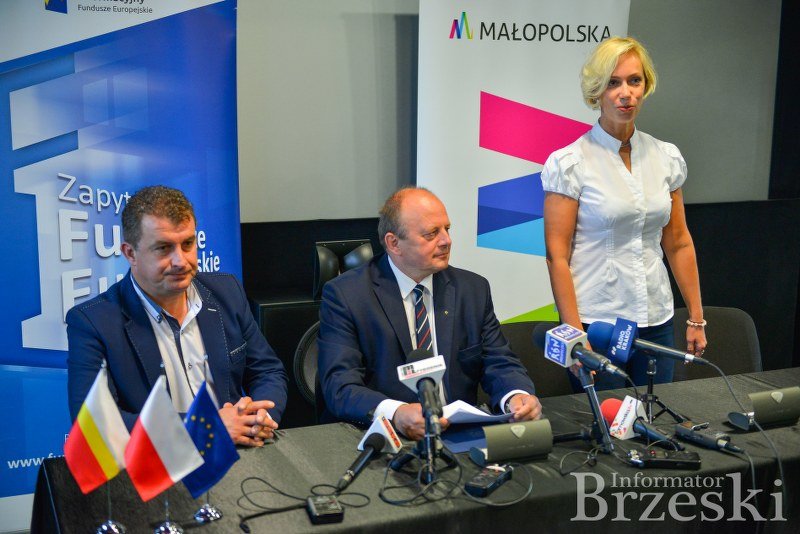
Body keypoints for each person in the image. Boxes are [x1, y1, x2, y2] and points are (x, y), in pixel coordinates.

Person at [541, 36, 707, 390]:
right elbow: (557, 256)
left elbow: (678, 242)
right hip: (597, 323)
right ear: (597, 91)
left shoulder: (665, 157)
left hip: (656, 318)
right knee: (609, 422)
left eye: (634, 81)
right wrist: (574, 335)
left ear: (646, 86)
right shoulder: (570, 163)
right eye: (613, 83)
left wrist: (696, 317)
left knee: (655, 417)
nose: (625, 93)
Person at [67, 185, 287, 447]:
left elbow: (268, 371)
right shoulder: (93, 322)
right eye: (163, 248)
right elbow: (93, 425)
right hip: (159, 464)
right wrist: (206, 428)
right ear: (130, 253)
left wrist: (258, 418)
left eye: (187, 244)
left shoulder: (227, 291)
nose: (180, 261)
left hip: (240, 453)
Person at [318, 187, 541, 440]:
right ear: (394, 243)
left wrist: (516, 396)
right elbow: (340, 386)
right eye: (432, 233)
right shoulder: (348, 295)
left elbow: (499, 361)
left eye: (447, 229)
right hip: (386, 438)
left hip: (458, 435)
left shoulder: (472, 289)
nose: (446, 240)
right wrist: (396, 413)